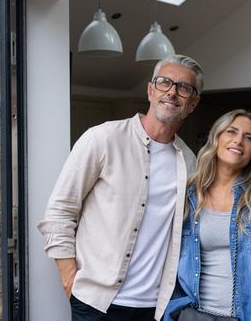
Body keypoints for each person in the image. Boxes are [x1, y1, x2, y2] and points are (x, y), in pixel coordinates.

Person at [38, 55, 203, 321]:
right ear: (151, 90)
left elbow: (209, 212)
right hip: (96, 304)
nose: (172, 92)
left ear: (193, 103)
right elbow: (60, 211)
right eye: (164, 83)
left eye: (184, 88)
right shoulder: (103, 138)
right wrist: (69, 278)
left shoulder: (189, 161)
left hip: (155, 308)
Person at [164, 109, 251, 321]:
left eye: (249, 138)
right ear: (217, 137)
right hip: (193, 314)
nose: (238, 141)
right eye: (231, 132)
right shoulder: (189, 192)